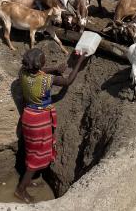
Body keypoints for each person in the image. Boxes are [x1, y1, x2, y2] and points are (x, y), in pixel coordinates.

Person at [14, 48, 87, 203]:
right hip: (39, 121)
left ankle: (28, 179)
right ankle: (21, 190)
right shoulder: (47, 80)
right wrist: (80, 62)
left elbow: (35, 69)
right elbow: (67, 81)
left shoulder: (22, 73)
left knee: (31, 150)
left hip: (28, 116)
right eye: (43, 59)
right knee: (37, 156)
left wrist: (54, 68)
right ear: (40, 64)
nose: (45, 60)